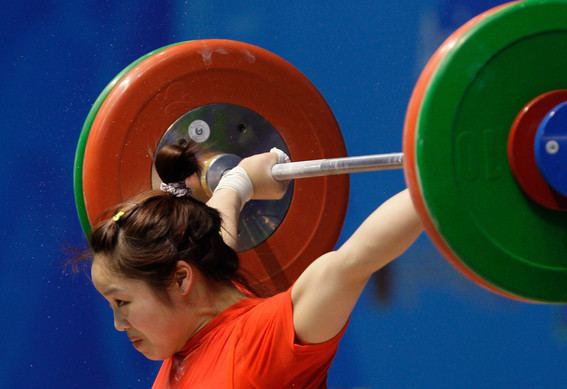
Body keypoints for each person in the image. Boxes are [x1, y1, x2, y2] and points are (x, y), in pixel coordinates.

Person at [87, 143, 423, 388]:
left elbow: (352, 263)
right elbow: (215, 230)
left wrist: (436, 187)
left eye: (122, 302)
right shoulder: (191, 325)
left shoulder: (259, 348)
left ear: (179, 280)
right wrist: (238, 181)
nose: (118, 323)